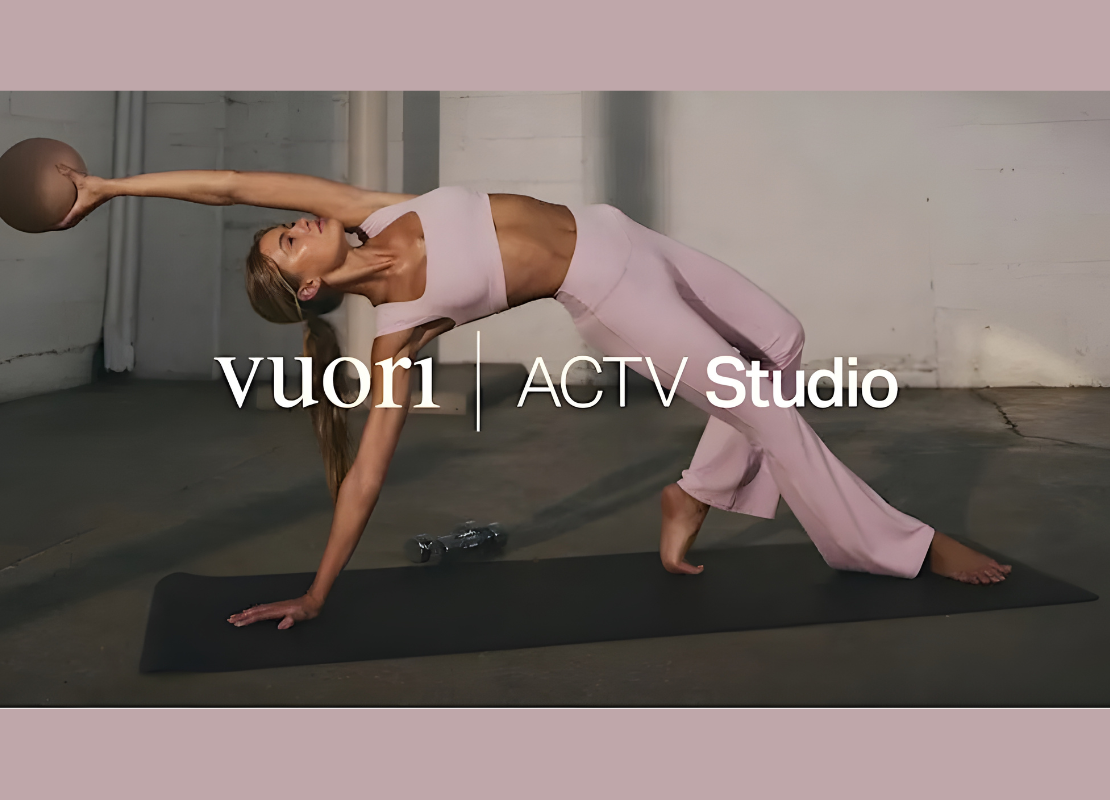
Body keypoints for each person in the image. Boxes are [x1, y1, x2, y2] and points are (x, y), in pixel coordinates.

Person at [54, 165, 1012, 631]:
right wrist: (314, 593)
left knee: (784, 341)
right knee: (768, 410)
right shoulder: (401, 332)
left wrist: (112, 186)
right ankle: (900, 547)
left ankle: (694, 492)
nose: (295, 226)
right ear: (307, 287)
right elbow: (365, 480)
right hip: (614, 295)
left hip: (622, 232)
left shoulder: (370, 212)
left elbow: (227, 184)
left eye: (287, 229)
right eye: (288, 244)